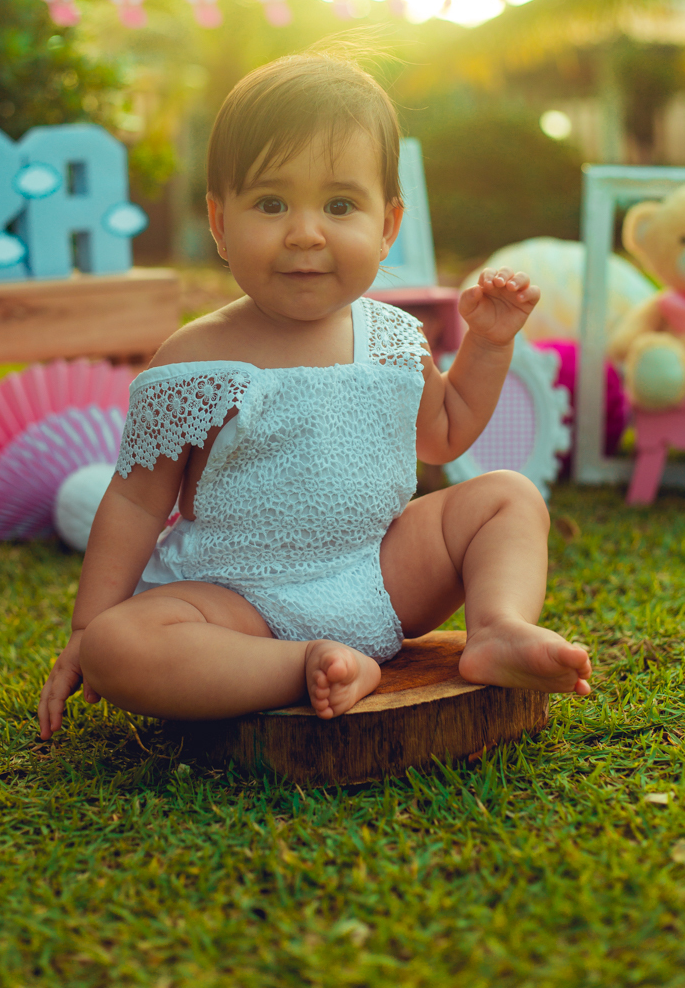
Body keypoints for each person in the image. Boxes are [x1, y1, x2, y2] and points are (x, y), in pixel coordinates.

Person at [38, 51, 591, 741]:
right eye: (271, 204)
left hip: (379, 572)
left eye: (339, 205)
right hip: (235, 600)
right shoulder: (193, 358)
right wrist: (89, 626)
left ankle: (498, 627)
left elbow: (445, 433)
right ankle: (308, 663)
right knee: (121, 647)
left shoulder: (393, 336)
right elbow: (135, 498)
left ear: (387, 225)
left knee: (507, 496)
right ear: (218, 221)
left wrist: (486, 345)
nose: (305, 232)